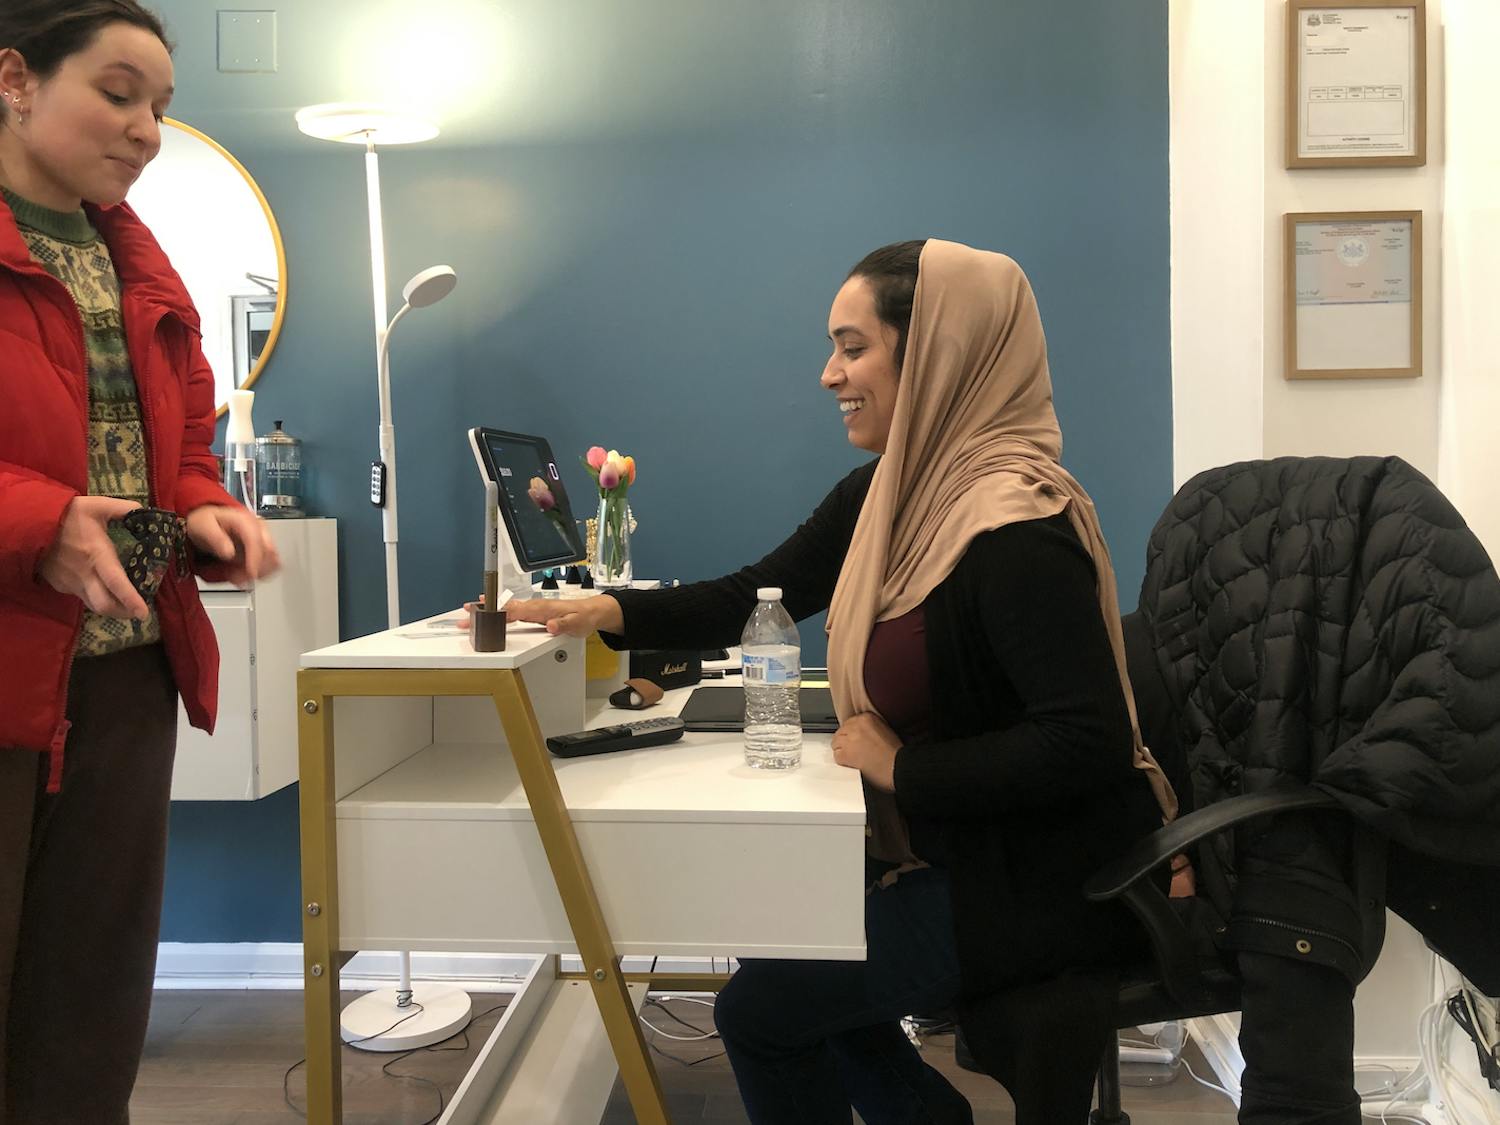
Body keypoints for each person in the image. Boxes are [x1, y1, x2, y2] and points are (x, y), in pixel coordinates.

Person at [507, 238, 1176, 1123]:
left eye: (853, 346)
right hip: (961, 845)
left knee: (758, 1014)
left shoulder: (1016, 526)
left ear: (935, 350)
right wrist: (607, 612)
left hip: (1043, 879)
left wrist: (903, 768)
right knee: (783, 947)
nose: (830, 374)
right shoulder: (887, 495)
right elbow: (754, 593)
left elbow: (1083, 745)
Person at [0, 3, 279, 1120]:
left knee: (90, 997)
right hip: (10, 670)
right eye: (118, 93)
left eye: (161, 106)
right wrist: (37, 521)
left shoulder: (140, 267)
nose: (147, 129)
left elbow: (187, 445)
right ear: (14, 78)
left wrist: (208, 509)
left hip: (124, 674)